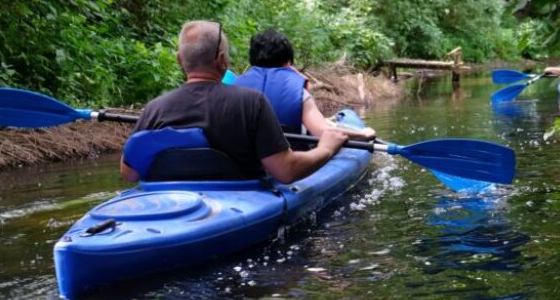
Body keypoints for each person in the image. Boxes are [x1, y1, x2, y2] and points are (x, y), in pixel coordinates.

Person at [120, 21, 347, 184]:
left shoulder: (155, 108)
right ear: (222, 60)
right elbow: (286, 172)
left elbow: (129, 173)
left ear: (180, 60)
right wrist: (326, 148)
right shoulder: (251, 102)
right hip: (241, 197)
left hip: (172, 199)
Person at [233, 29, 377, 141]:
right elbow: (322, 132)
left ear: (252, 59)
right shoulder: (296, 89)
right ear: (288, 60)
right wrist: (363, 134)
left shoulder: (234, 86)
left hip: (243, 163)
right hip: (291, 160)